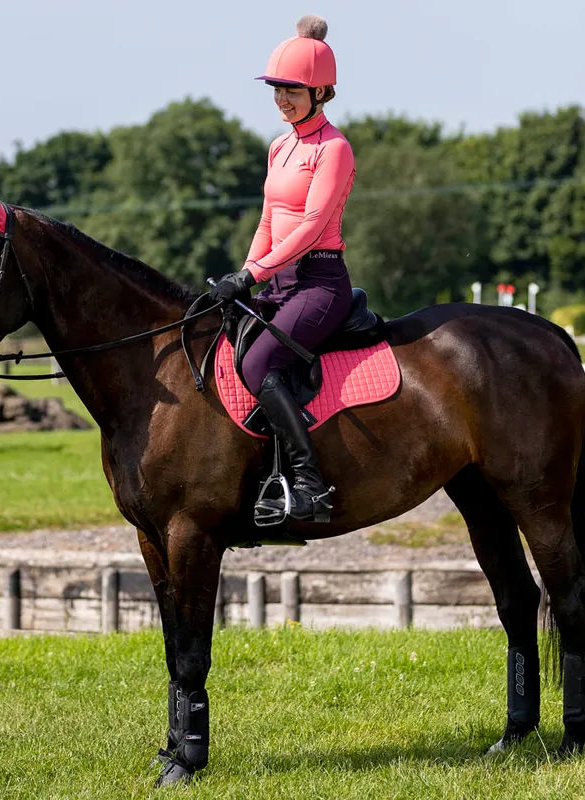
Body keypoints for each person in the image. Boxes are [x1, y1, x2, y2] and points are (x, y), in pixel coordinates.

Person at [210, 14, 356, 523]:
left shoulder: (333, 149)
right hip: (279, 281)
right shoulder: (281, 146)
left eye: (292, 91)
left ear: (320, 92)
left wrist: (252, 276)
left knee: (257, 365)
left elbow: (312, 227)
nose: (281, 100)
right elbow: (269, 221)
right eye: (276, 90)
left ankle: (311, 487)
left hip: (320, 282)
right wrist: (246, 272)